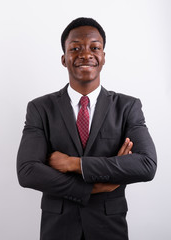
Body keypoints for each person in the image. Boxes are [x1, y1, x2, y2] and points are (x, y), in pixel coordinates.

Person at [17, 17, 157, 240]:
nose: (86, 54)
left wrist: (74, 164)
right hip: (58, 229)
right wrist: (95, 187)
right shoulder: (40, 108)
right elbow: (27, 171)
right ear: (64, 59)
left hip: (109, 227)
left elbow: (146, 165)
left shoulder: (127, 107)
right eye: (75, 48)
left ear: (103, 57)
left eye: (95, 48)